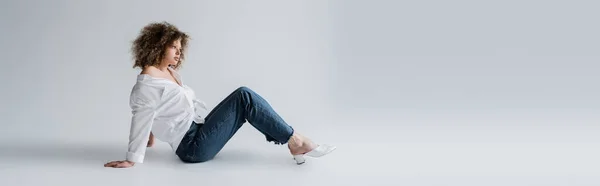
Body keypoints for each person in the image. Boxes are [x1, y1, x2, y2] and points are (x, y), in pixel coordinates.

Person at [103, 22, 336, 168]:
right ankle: (296, 141)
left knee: (244, 99)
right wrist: (132, 157)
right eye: (174, 47)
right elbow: (141, 117)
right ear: (158, 46)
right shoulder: (146, 84)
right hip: (192, 147)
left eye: (180, 48)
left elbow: (160, 110)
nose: (179, 52)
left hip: (198, 130)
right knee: (244, 96)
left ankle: (293, 140)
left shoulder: (169, 72)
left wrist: (152, 136)